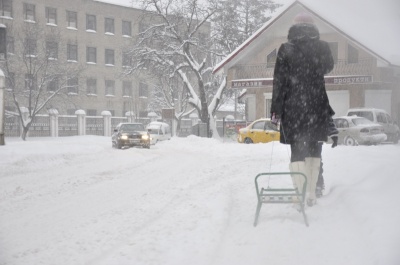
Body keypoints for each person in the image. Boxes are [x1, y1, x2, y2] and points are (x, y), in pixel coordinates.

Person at [270, 12, 335, 206]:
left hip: (293, 108)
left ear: (294, 28)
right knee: (315, 149)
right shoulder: (323, 47)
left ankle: (299, 192)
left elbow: (279, 82)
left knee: (297, 151)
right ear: (313, 27)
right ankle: (313, 193)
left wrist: (276, 111)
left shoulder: (286, 49)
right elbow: (328, 67)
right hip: (317, 107)